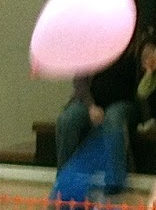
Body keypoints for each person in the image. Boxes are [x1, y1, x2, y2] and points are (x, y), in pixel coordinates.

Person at [53, 42, 140, 194]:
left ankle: (114, 183)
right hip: (91, 102)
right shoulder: (91, 45)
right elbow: (80, 83)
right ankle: (65, 180)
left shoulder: (136, 48)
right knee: (67, 119)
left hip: (124, 103)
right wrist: (91, 106)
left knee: (113, 118)